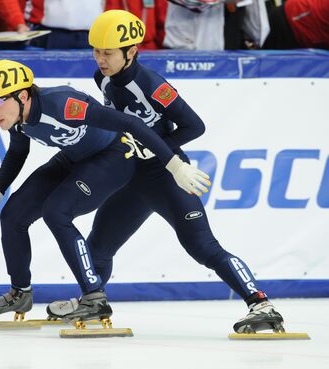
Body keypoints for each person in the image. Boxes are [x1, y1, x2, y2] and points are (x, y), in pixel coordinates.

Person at [46, 10, 285, 335]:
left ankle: (261, 304)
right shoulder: (100, 77)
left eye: (109, 52)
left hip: (167, 174)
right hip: (131, 175)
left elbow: (194, 125)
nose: (101, 59)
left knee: (202, 247)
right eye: (97, 51)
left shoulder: (151, 84)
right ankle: (92, 302)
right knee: (98, 246)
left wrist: (159, 145)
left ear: (131, 52)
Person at [0, 59, 210, 320]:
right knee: (13, 214)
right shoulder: (17, 117)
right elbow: (17, 151)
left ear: (23, 95)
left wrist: (174, 164)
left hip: (112, 157)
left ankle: (94, 297)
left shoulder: (64, 105)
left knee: (56, 212)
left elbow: (132, 125)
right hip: (73, 158)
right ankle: (20, 293)